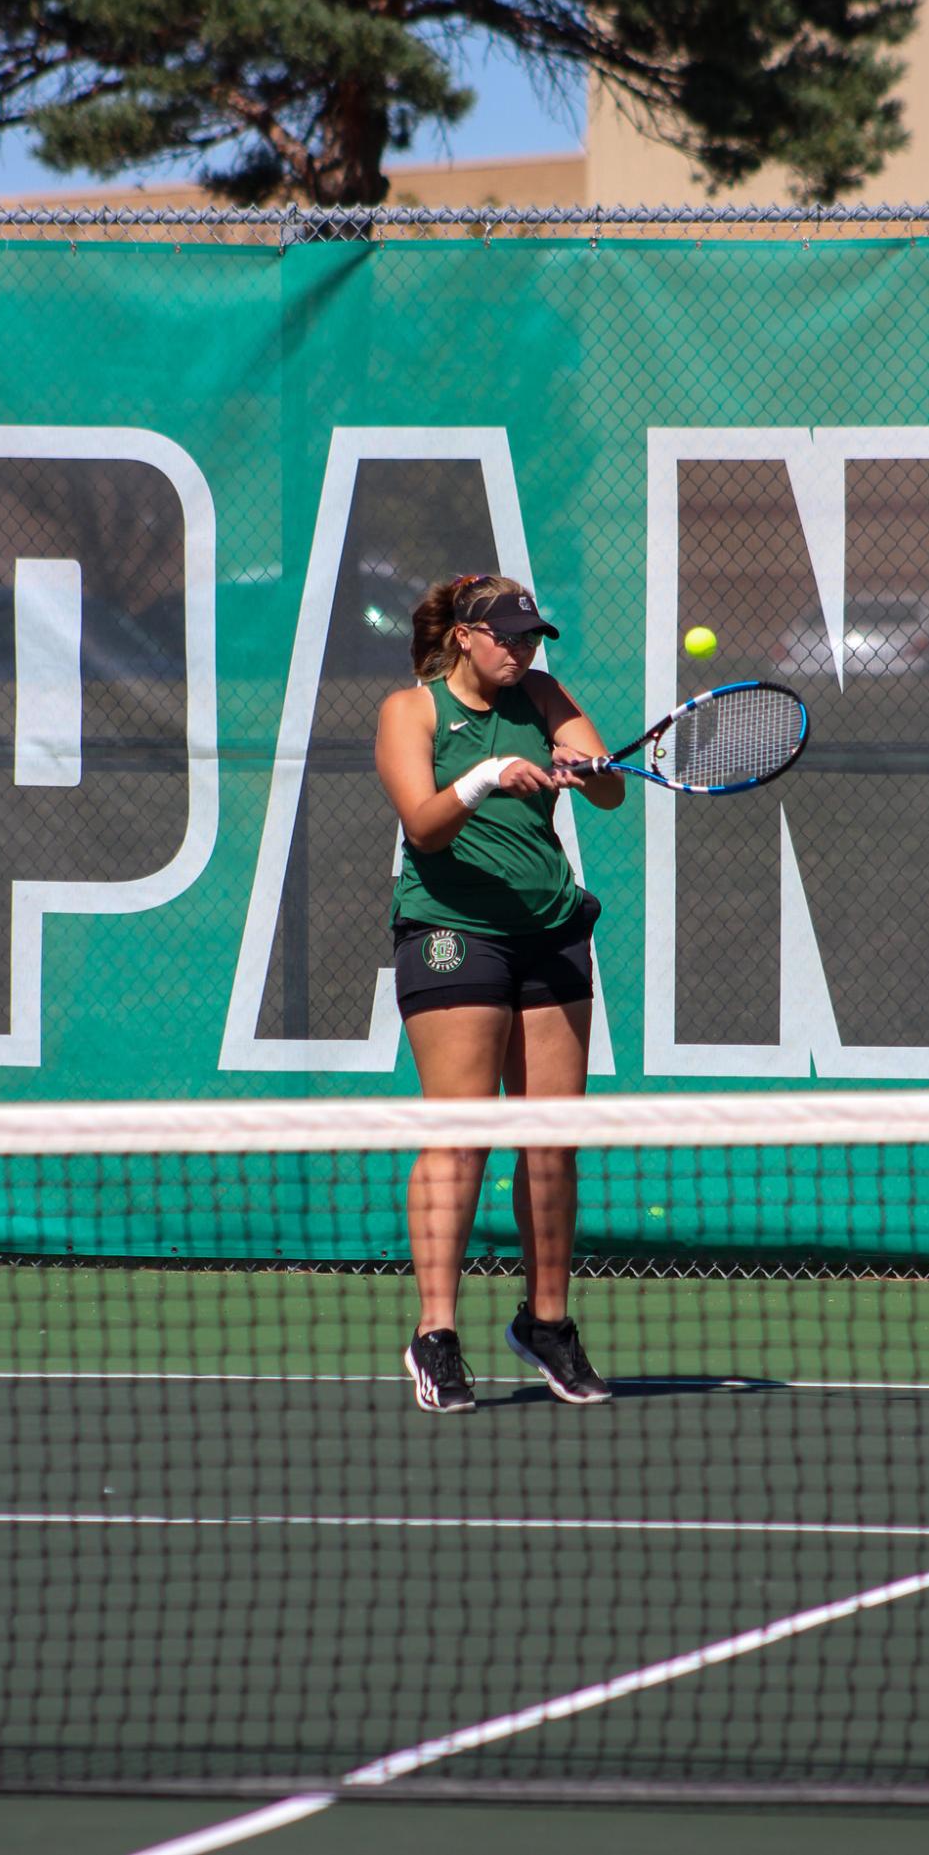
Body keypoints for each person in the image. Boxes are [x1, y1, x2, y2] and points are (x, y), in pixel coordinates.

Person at [374, 572, 625, 1413]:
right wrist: (487, 775)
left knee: (551, 1136)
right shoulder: (410, 712)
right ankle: (436, 1334)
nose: (522, 650)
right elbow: (423, 823)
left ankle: (546, 1322)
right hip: (451, 931)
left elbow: (612, 786)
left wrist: (586, 768)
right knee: (464, 1132)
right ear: (464, 639)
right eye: (508, 637)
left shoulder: (544, 693)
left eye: (531, 637)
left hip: (550, 927)